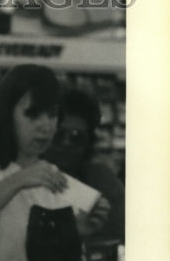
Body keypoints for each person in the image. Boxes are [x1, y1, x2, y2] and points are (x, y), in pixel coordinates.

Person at [0, 64, 111, 261]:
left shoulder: (52, 177)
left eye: (52, 115)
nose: (46, 126)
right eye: (33, 114)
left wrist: (77, 232)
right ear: (6, 113)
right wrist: (19, 180)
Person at [42, 86, 125, 244]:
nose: (66, 143)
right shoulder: (22, 175)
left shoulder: (101, 180)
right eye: (59, 135)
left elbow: (121, 236)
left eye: (76, 137)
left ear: (88, 142)